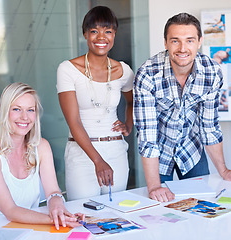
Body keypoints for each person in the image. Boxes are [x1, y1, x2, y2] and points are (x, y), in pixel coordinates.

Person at [133, 13, 231, 203]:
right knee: (160, 209)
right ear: (165, 42)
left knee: (205, 206)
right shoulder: (147, 74)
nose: (183, 48)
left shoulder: (211, 72)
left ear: (200, 42)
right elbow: (147, 135)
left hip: (191, 148)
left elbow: (209, 126)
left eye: (190, 40)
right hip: (158, 154)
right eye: (175, 41)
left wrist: (224, 170)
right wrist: (154, 186)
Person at [0, 83, 83, 229]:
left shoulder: (41, 147)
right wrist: (57, 220)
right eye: (17, 109)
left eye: (30, 110)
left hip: (16, 227)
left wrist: (58, 206)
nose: (25, 117)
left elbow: (53, 191)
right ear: (4, 112)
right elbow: (10, 211)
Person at [57, 6, 134, 201]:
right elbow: (73, 121)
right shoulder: (68, 69)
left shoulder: (123, 70)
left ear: (114, 34)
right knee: (84, 215)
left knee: (118, 214)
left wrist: (128, 125)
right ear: (85, 34)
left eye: (108, 31)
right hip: (81, 154)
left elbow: (133, 102)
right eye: (94, 31)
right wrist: (98, 160)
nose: (101, 37)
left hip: (116, 150)